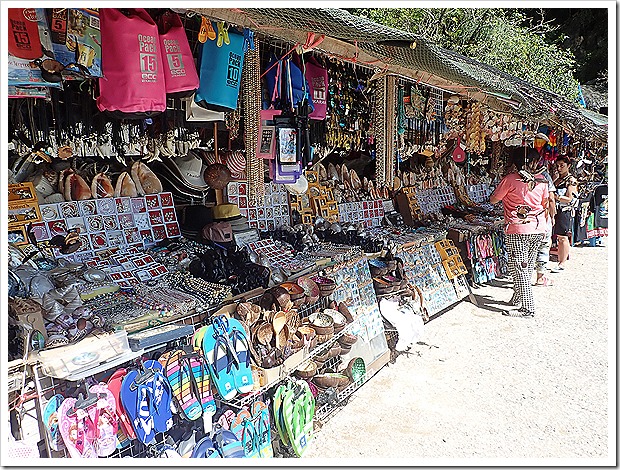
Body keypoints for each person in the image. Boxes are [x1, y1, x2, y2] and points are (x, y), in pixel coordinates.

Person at [489, 147, 549, 318]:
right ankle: (517, 298)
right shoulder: (542, 180)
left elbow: (493, 200)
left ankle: (528, 308)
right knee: (527, 266)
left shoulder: (510, 179)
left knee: (519, 267)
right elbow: (544, 204)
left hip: (518, 229)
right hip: (538, 227)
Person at [551, 154, 578, 272]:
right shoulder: (557, 179)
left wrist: (555, 197)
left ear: (568, 166)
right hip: (555, 209)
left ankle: (562, 262)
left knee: (562, 237)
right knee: (556, 237)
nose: (559, 168)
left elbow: (569, 198)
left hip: (564, 211)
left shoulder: (571, 181)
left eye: (562, 165)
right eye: (557, 166)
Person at [534, 158, 557, 286]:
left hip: (525, 219)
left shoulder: (515, 175)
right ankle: (540, 277)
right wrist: (552, 216)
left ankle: (523, 279)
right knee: (543, 247)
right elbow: (551, 199)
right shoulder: (544, 176)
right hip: (542, 217)